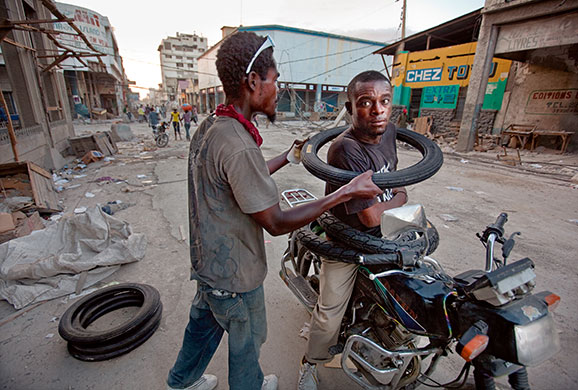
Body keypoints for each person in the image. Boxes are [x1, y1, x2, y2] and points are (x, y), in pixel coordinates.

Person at [166, 32, 382, 390]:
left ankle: (181, 382)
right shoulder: (237, 143)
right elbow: (276, 222)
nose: (278, 86)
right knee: (248, 339)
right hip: (236, 274)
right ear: (253, 81)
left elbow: (239, 180)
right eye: (275, 78)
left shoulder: (213, 127)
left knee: (202, 325)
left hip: (208, 265)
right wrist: (344, 193)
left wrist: (287, 156)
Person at [298, 71, 408, 390]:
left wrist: (397, 196)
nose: (377, 110)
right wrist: (398, 199)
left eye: (384, 101)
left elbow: (396, 181)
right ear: (349, 107)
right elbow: (371, 217)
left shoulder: (389, 134)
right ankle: (311, 364)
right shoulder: (345, 149)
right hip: (348, 240)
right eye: (366, 102)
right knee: (330, 310)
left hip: (386, 234)